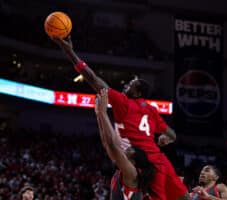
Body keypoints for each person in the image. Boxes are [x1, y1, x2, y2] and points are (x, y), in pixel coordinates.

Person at [51, 36, 190, 200]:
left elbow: (92, 78)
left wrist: (69, 51)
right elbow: (173, 134)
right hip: (160, 160)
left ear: (137, 93)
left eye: (130, 85)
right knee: (184, 197)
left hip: (141, 164)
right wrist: (166, 139)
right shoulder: (152, 110)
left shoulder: (124, 102)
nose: (125, 86)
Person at [94, 89, 155, 199]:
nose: (126, 149)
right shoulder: (125, 169)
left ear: (133, 161)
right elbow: (107, 144)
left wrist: (103, 113)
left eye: (129, 150)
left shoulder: (132, 173)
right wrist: (99, 115)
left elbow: (112, 144)